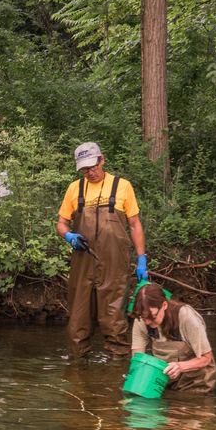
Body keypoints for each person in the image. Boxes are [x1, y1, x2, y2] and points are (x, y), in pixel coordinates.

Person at [56, 142, 147, 359]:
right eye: (85, 169)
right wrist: (68, 236)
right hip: (83, 262)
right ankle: (79, 371)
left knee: (114, 319)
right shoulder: (74, 189)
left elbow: (134, 224)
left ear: (102, 160)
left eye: (93, 166)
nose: (90, 172)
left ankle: (116, 371)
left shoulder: (123, 186)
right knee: (78, 322)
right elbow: (61, 223)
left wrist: (142, 257)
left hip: (114, 263)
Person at [129, 282, 216, 393]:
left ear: (164, 305)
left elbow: (206, 359)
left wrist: (180, 366)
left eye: (152, 317)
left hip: (195, 381)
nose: (147, 321)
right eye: (143, 317)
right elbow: (137, 359)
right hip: (164, 379)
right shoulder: (142, 318)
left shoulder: (187, 317)